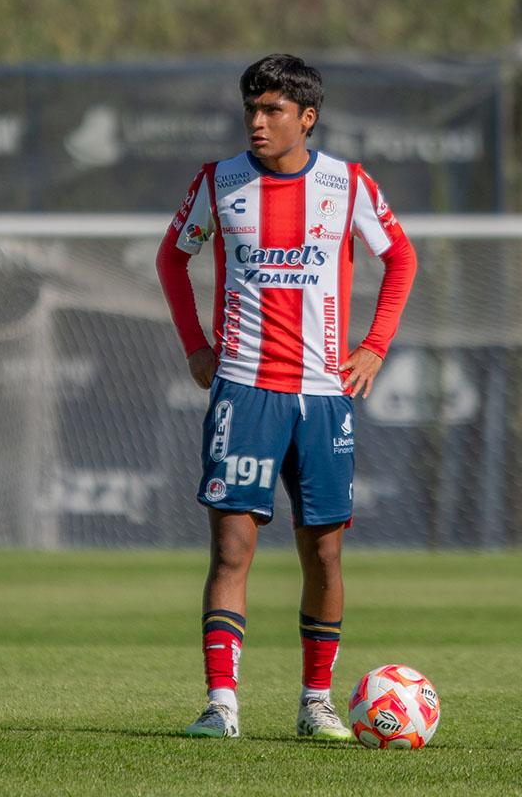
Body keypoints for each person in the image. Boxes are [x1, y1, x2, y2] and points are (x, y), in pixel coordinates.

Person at [156, 53, 417, 739]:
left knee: (324, 554)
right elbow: (172, 258)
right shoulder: (219, 181)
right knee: (231, 549)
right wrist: (195, 344)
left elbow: (401, 257)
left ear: (307, 117)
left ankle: (316, 702)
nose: (258, 121)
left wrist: (375, 345)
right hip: (244, 389)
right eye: (251, 108)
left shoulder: (347, 184)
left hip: (324, 395)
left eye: (273, 109)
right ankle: (221, 705)